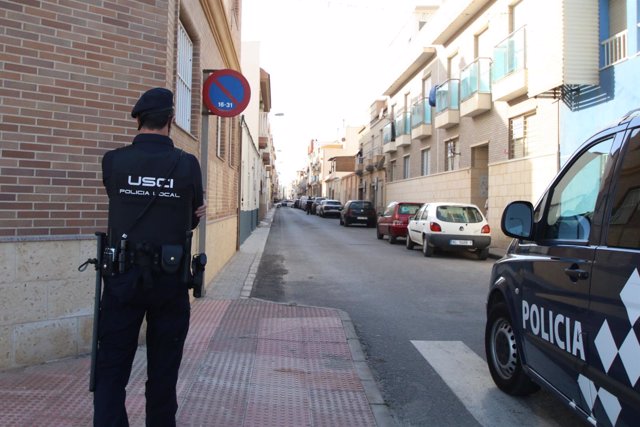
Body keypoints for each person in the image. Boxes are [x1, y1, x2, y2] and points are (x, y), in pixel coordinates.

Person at [94, 87, 206, 427]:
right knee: (164, 371)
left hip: (121, 279)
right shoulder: (188, 165)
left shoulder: (113, 161)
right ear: (171, 121)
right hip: (169, 282)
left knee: (111, 369)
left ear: (138, 119)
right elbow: (192, 217)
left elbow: (117, 200)